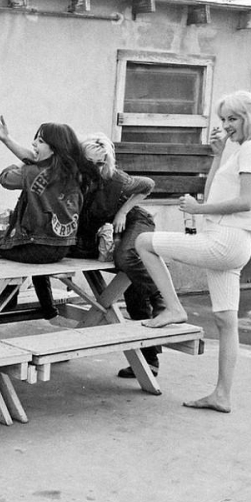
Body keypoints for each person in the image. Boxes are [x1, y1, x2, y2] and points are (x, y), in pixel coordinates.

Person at [135, 91, 251, 413]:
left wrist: (198, 208)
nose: (226, 125)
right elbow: (213, 193)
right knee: (226, 321)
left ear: (249, 117)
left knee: (144, 243)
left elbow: (245, 202)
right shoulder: (241, 150)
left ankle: (173, 308)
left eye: (233, 119)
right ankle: (221, 395)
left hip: (224, 241)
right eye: (223, 119)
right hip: (230, 242)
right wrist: (216, 155)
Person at [0, 116, 88, 323]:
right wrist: (7, 140)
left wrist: (24, 161)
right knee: (37, 245)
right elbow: (44, 163)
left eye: (40, 141)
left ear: (54, 148)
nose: (33, 144)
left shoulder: (31, 172)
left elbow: (5, 178)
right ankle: (49, 311)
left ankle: (4, 296)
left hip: (35, 250)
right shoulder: (76, 173)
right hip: (61, 248)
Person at [74, 133, 165, 378]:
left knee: (127, 260)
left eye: (101, 163)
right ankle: (149, 361)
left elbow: (147, 185)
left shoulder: (117, 179)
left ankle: (162, 299)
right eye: (90, 162)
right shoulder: (78, 179)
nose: (95, 168)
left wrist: (123, 212)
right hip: (112, 234)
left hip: (136, 222)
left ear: (108, 161)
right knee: (132, 284)